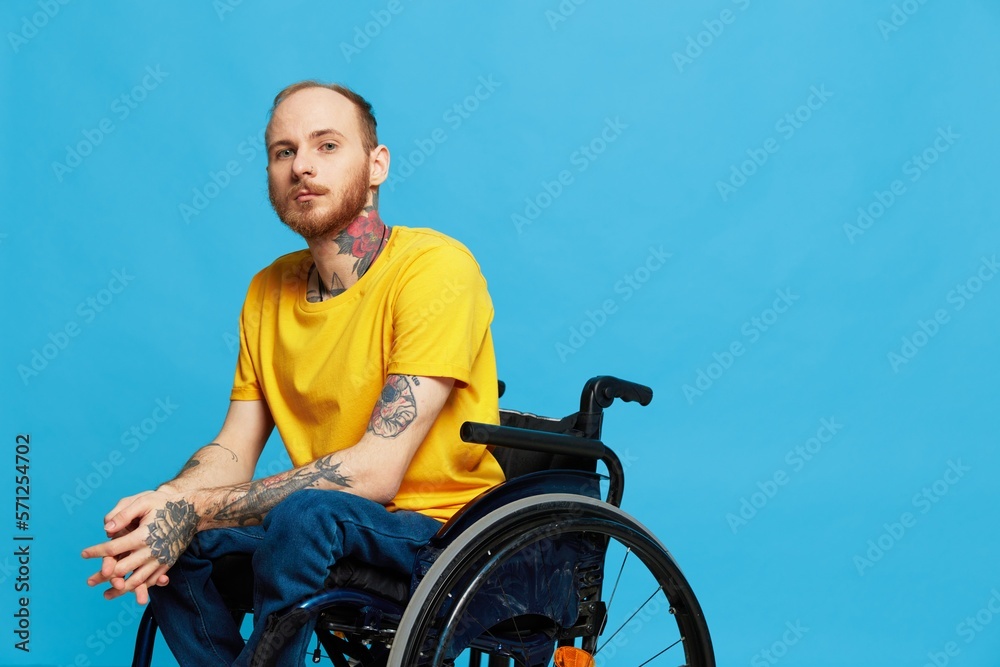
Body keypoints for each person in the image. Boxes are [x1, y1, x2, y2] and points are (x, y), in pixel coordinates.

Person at [81, 81, 505, 666]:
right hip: (327, 525)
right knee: (185, 544)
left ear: (376, 164)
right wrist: (167, 504)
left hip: (438, 531)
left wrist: (194, 509)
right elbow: (234, 447)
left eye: (327, 146)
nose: (302, 166)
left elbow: (376, 473)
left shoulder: (435, 271)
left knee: (302, 511)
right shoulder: (268, 289)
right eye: (284, 152)